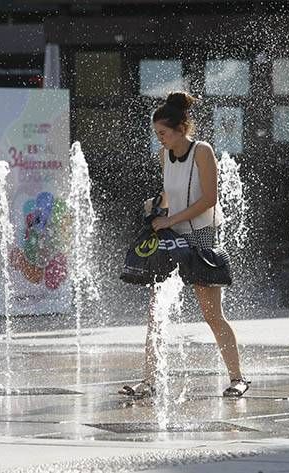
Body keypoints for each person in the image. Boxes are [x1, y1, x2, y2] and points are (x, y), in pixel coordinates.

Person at [119, 91, 250, 398]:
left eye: (162, 133)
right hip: (171, 238)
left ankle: (237, 378)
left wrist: (169, 219)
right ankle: (148, 382)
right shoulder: (165, 156)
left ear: (181, 129)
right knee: (156, 312)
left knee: (211, 313)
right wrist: (156, 206)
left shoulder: (202, 151)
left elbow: (209, 200)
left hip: (200, 237)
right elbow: (171, 193)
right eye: (156, 134)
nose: (159, 140)